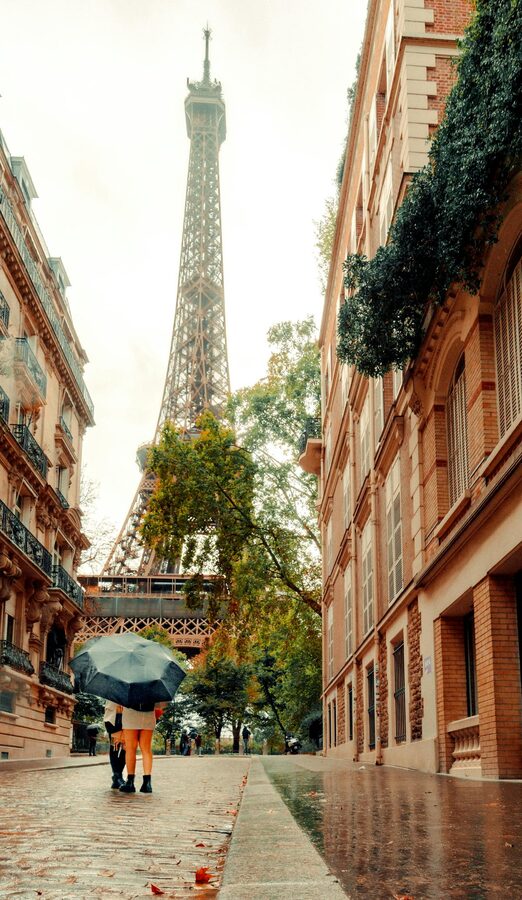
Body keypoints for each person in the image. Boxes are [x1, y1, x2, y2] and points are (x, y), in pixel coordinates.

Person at [118, 703, 165, 794]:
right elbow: (159, 705)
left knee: (130, 749)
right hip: (148, 714)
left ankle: (130, 782)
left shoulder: (128, 688)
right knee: (146, 749)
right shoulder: (152, 688)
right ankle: (147, 784)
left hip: (130, 713)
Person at [104, 701, 126, 790]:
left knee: (125, 748)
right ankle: (117, 776)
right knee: (114, 747)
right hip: (113, 719)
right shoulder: (112, 690)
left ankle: (117, 776)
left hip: (127, 719)